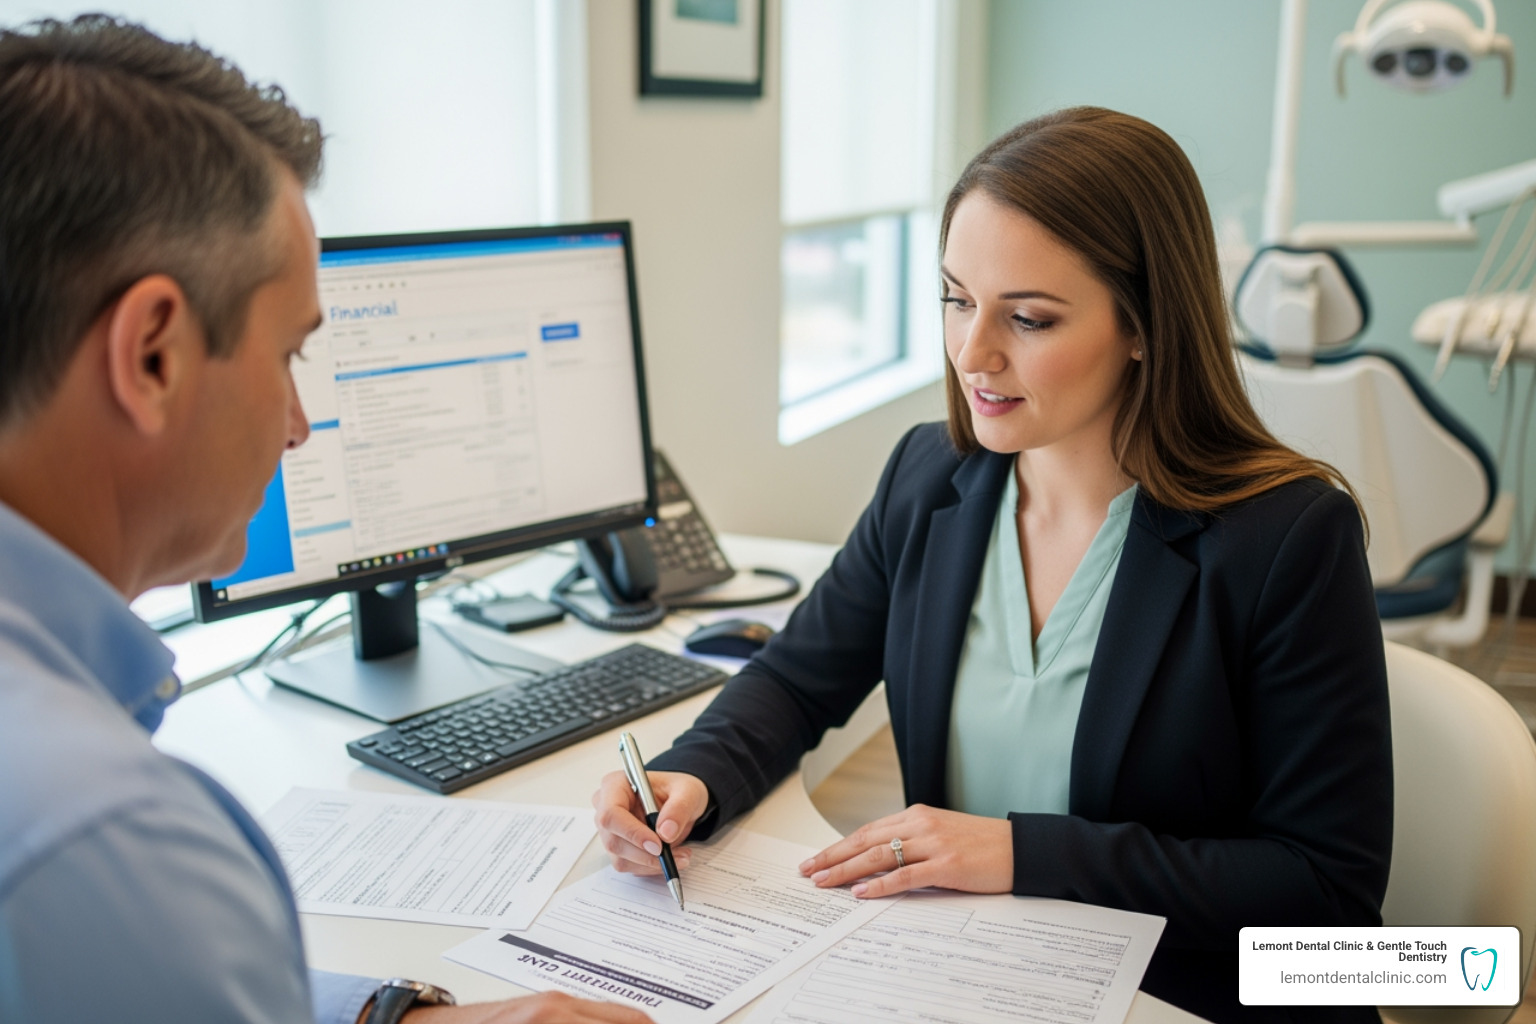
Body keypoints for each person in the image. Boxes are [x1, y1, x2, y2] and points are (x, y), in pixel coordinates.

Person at [594, 107, 1393, 1024]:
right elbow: (797, 679)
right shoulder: (929, 478)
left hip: (1178, 996)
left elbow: (1326, 896)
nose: (974, 354)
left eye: (1029, 317)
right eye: (956, 299)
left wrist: (1021, 853)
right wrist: (690, 779)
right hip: (969, 981)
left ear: (1144, 326)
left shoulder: (1288, 537)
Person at [0, 16, 651, 1024]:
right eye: (290, 354)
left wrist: (395, 1015)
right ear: (153, 355)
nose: (299, 425)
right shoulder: (106, 838)